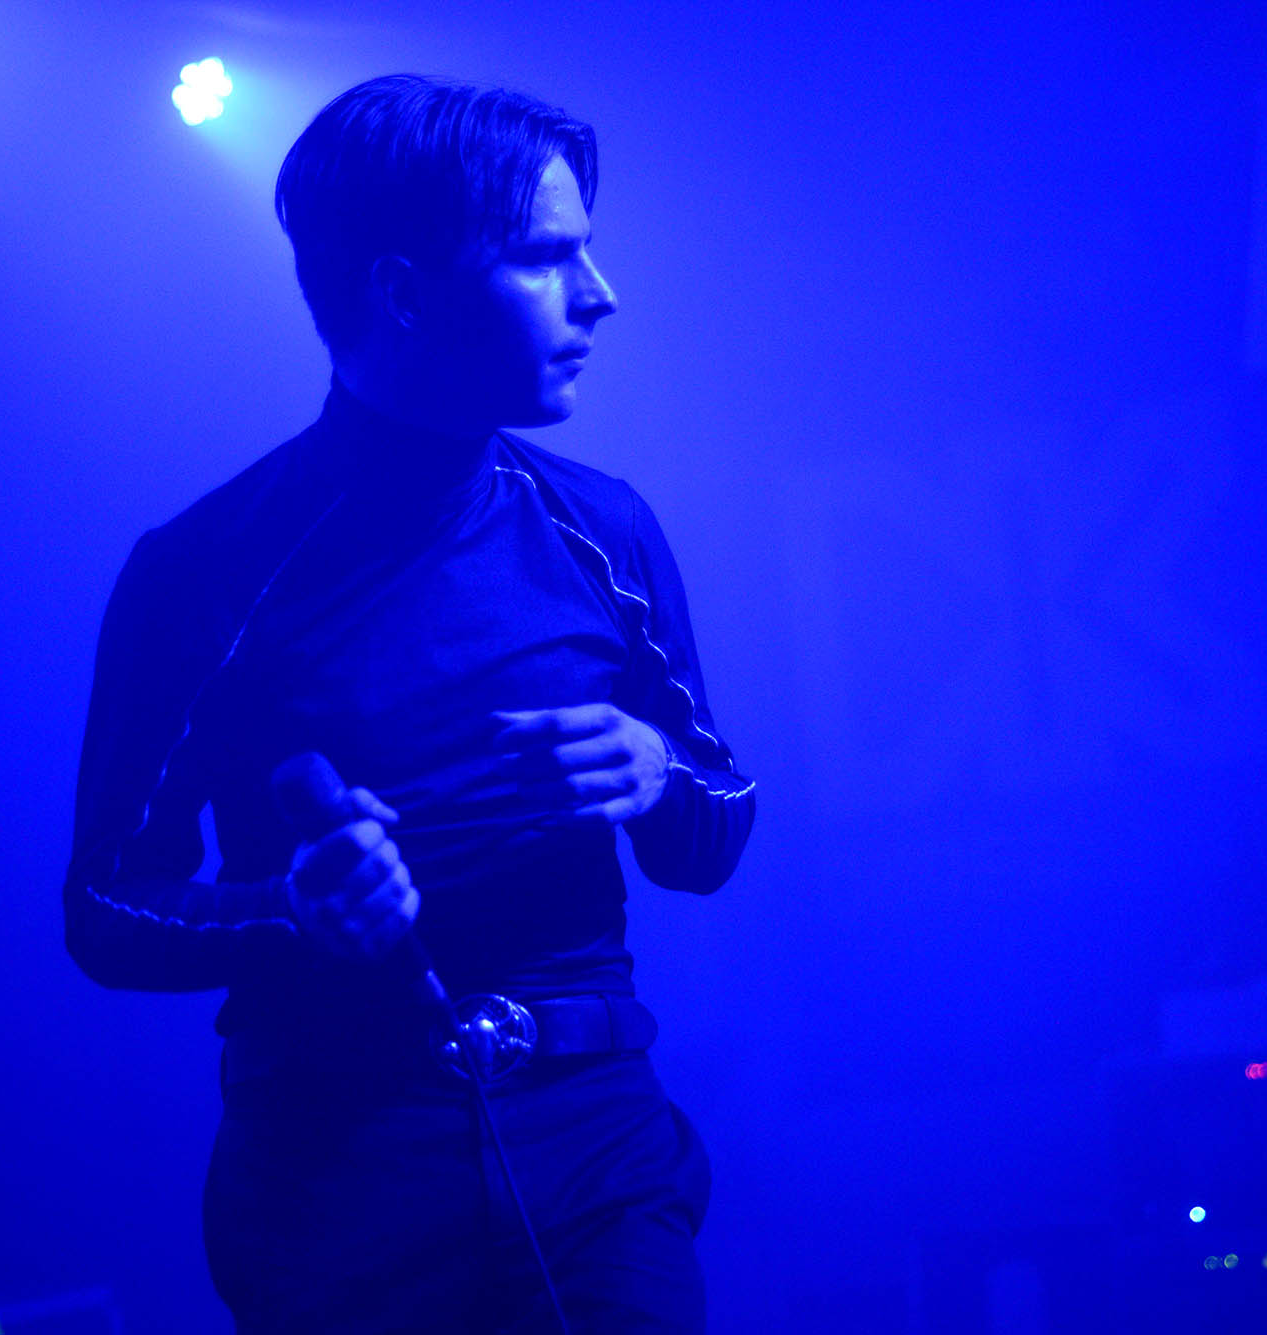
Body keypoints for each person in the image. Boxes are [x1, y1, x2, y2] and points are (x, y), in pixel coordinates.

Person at [60, 74, 755, 1333]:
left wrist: (657, 774)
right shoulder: (199, 573)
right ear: (401, 293)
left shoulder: (602, 527)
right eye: (544, 258)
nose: (599, 294)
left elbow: (713, 833)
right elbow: (103, 905)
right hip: (336, 1180)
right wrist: (291, 912)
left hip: (596, 1143)